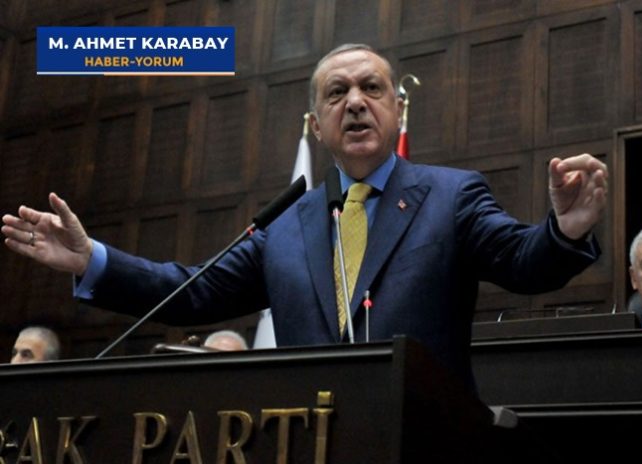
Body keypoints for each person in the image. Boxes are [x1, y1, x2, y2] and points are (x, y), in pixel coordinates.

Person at [1, 43, 608, 390]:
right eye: (337, 93)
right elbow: (189, 291)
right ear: (317, 126)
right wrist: (91, 260)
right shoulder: (285, 225)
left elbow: (523, 263)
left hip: (428, 439)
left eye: (371, 88)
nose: (355, 102)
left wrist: (566, 228)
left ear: (397, 110)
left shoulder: (453, 196)